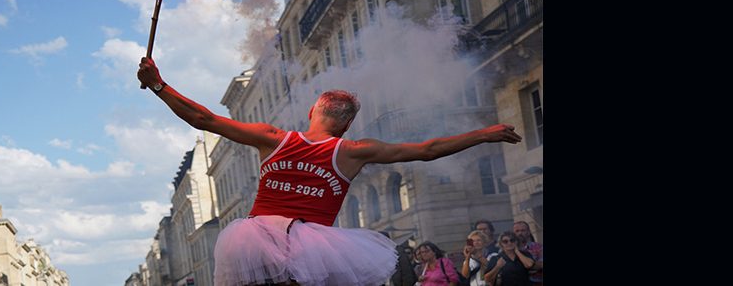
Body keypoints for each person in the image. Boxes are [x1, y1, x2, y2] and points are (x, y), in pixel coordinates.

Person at [137, 57, 522, 286]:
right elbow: (427, 150)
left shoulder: (272, 138)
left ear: (312, 112)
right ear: (348, 124)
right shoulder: (353, 151)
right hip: (314, 249)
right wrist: (483, 133)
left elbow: (204, 119)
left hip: (255, 241)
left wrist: (158, 85)